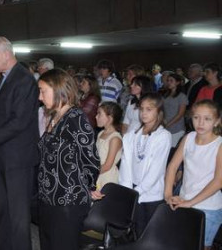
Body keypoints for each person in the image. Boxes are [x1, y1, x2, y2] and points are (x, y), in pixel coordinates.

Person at [0, 37, 39, 250]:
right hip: (1, 156)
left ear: (6, 54)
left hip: (17, 159)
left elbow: (19, 121)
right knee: (2, 212)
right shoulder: (3, 80)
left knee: (18, 217)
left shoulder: (24, 80)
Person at [37, 68, 99, 250]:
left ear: (58, 90)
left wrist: (90, 186)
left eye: (43, 91)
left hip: (67, 200)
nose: (40, 97)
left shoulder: (76, 118)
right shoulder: (55, 116)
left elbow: (91, 159)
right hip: (48, 197)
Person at [165, 99, 222, 250]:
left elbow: (218, 181)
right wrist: (168, 195)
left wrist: (190, 203)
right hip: (184, 201)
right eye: (196, 117)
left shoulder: (219, 144)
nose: (201, 123)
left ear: (217, 121)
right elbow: (172, 167)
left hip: (208, 207)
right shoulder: (188, 138)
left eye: (207, 119)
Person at [119, 92, 172, 236]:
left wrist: (138, 191)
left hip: (151, 194)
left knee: (149, 235)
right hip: (133, 190)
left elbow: (156, 170)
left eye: (149, 109)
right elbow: (126, 164)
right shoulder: (131, 136)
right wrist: (128, 190)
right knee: (135, 232)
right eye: (142, 109)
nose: (143, 113)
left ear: (159, 111)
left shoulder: (163, 136)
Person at [95, 102, 123, 190]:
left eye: (99, 114)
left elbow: (107, 165)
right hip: (98, 174)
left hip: (107, 178)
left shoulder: (115, 138)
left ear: (110, 118)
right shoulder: (101, 133)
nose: (96, 116)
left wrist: (91, 173)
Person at [163, 73, 188, 148]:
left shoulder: (182, 96)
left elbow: (180, 114)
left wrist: (167, 124)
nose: (169, 83)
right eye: (168, 81)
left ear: (177, 82)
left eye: (171, 81)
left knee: (172, 150)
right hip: (166, 125)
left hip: (176, 128)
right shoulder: (166, 95)